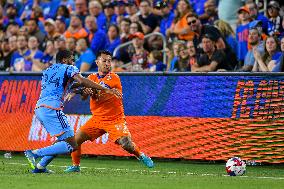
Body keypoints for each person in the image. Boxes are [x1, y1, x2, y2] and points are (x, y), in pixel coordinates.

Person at [24, 49, 121, 173]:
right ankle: (34, 153)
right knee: (72, 144)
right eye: (72, 59)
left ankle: (40, 167)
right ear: (65, 60)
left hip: (39, 109)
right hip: (52, 109)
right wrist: (104, 89)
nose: (74, 62)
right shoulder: (68, 68)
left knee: (62, 142)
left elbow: (68, 84)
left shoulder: (48, 71)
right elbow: (81, 80)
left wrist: (80, 90)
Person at [64, 50, 154, 172]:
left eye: (109, 61)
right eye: (104, 61)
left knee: (126, 144)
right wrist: (84, 92)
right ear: (97, 62)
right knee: (75, 141)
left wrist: (78, 90)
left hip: (114, 119)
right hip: (97, 119)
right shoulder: (91, 77)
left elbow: (100, 89)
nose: (107, 63)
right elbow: (86, 96)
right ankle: (76, 166)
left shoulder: (114, 77)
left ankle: (140, 155)